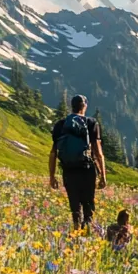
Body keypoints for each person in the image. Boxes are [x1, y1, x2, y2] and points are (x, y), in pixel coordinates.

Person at [49, 95, 106, 230]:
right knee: (88, 203)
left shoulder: (61, 125)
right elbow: (98, 152)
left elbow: (53, 153)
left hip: (69, 170)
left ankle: (76, 231)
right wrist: (103, 175)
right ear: (84, 106)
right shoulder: (91, 123)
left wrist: (52, 176)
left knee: (74, 204)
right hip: (87, 169)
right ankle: (87, 231)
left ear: (72, 106)